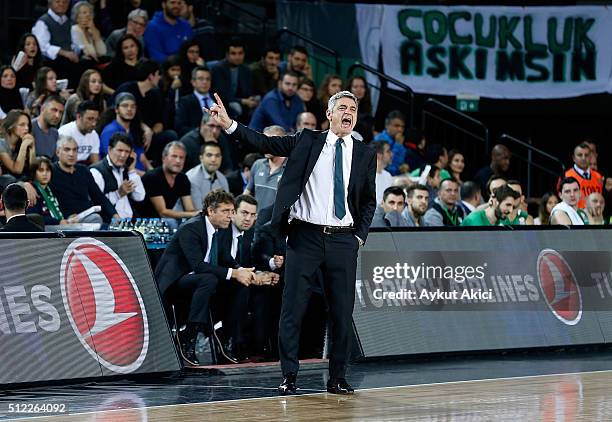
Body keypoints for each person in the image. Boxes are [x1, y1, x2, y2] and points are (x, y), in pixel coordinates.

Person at [205, 89, 377, 395]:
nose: (349, 113)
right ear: (330, 114)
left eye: (353, 108)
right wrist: (230, 124)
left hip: (342, 241)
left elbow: (368, 202)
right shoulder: (306, 140)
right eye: (343, 108)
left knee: (341, 312)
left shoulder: (365, 153)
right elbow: (265, 142)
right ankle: (289, 375)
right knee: (292, 309)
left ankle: (337, 378)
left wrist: (359, 236)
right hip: (305, 237)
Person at [154, 190, 255, 365]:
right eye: (225, 211)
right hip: (176, 283)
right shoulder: (191, 228)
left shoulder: (221, 229)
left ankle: (228, 337)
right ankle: (188, 338)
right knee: (209, 279)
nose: (230, 216)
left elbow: (225, 258)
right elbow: (198, 266)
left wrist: (242, 270)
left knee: (240, 284)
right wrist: (234, 273)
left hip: (203, 283)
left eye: (232, 211)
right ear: (210, 211)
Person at [218, 194, 279, 360]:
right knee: (242, 288)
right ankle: (233, 343)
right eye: (244, 213)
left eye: (252, 215)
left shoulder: (252, 233)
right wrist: (250, 275)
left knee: (266, 290)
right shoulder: (222, 230)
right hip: (219, 280)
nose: (248, 219)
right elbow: (223, 261)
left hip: (241, 279)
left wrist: (263, 274)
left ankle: (259, 346)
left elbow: (254, 261)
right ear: (234, 212)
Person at [114, 59, 178, 165]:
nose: (160, 78)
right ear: (150, 76)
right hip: (128, 132)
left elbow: (160, 122)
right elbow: (117, 113)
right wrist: (144, 128)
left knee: (170, 135)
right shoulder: (127, 89)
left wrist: (150, 133)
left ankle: (161, 167)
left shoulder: (155, 94)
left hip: (147, 138)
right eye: (157, 74)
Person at [50, 136, 118, 223]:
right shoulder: (51, 171)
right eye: (67, 150)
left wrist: (114, 215)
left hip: (87, 215)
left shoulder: (83, 170)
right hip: (66, 220)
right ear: (58, 152)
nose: (71, 154)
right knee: (96, 219)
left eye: (75, 150)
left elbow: (99, 196)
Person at [140, 141, 199, 225]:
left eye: (181, 157)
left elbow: (189, 209)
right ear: (164, 158)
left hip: (164, 222)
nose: (178, 161)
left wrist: (201, 214)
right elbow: (162, 212)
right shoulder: (152, 177)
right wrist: (193, 214)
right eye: (174, 156)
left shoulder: (183, 178)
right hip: (143, 222)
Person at [90, 133, 145, 219]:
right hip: (108, 225)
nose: (123, 155)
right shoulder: (96, 171)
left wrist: (132, 170)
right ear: (110, 149)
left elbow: (139, 197)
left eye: (127, 152)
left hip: (130, 222)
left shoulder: (127, 170)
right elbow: (96, 204)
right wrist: (118, 193)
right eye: (120, 150)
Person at [99, 92, 151, 173]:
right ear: (116, 109)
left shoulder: (134, 130)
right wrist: (145, 176)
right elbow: (114, 162)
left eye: (133, 106)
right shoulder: (110, 131)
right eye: (125, 106)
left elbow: (142, 158)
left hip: (140, 176)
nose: (129, 109)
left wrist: (152, 172)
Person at [31, 0, 80, 86]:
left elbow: (75, 44)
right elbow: (42, 47)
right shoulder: (43, 22)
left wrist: (75, 52)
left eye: (65, 2)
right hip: (52, 64)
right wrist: (64, 53)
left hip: (69, 63)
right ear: (50, 2)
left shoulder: (69, 22)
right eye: (58, 1)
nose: (61, 4)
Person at [210, 38, 257, 120]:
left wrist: (251, 99)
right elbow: (221, 95)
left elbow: (248, 91)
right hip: (224, 104)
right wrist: (243, 101)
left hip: (243, 104)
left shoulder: (246, 70)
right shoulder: (218, 69)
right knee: (235, 107)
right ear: (227, 55)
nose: (237, 57)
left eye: (240, 53)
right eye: (233, 53)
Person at [244, 126, 287, 211]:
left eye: (270, 142)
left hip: (276, 223)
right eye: (264, 142)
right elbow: (247, 194)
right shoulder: (257, 164)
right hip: (256, 221)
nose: (265, 146)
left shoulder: (291, 170)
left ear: (283, 143)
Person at [179, 142, 229, 211]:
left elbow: (227, 205)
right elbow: (197, 211)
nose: (213, 159)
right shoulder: (192, 178)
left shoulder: (222, 178)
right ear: (201, 158)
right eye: (209, 155)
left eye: (217, 156)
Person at [28, 156, 78, 225]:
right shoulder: (32, 191)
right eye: (41, 170)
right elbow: (35, 218)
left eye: (48, 170)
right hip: (43, 228)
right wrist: (58, 222)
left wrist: (69, 217)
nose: (45, 174)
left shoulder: (53, 188)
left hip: (59, 225)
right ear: (34, 172)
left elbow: (61, 209)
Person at [563, 142, 606, 209]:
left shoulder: (598, 176)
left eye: (586, 155)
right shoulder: (566, 175)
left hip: (596, 216)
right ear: (573, 158)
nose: (583, 158)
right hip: (575, 216)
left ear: (590, 157)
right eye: (580, 155)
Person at [175, 66, 213, 137]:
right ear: (193, 82)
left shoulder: (219, 100)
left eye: (208, 79)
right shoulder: (184, 102)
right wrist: (201, 131)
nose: (205, 82)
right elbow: (180, 128)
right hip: (196, 138)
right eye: (201, 79)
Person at [0, 110, 37, 178]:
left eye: (28, 125)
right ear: (11, 126)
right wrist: (24, 146)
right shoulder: (1, 144)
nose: (27, 128)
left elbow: (33, 170)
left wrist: (32, 147)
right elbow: (16, 170)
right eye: (22, 125)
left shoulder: (22, 142)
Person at [373, 110, 407, 176]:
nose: (400, 129)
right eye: (396, 126)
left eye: (402, 127)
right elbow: (386, 167)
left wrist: (403, 167)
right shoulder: (379, 140)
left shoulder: (400, 141)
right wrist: (397, 145)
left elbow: (399, 164)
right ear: (387, 125)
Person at [346, 76, 374, 142]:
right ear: (350, 89)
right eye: (355, 87)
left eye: (362, 87)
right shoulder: (342, 108)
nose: (359, 89)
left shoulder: (367, 109)